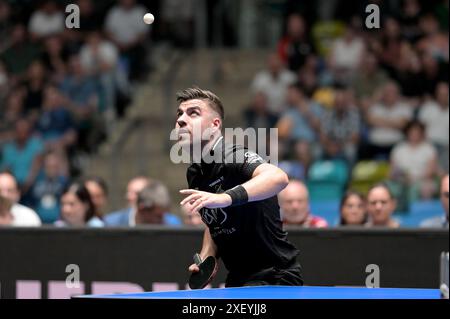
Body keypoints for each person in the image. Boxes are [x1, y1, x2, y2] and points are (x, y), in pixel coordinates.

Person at [176, 87, 303, 287]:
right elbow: (214, 223)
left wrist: (224, 198)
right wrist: (207, 256)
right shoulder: (195, 173)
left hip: (275, 278)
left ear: (214, 124)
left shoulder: (232, 155)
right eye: (180, 114)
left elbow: (278, 177)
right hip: (238, 278)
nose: (181, 119)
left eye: (193, 113)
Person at [390, 120, 439, 200]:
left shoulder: (429, 148)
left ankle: (423, 211)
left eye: (417, 133)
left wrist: (414, 179)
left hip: (423, 179)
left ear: (422, 134)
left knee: (426, 187)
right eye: (412, 132)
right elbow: (393, 170)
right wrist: (403, 178)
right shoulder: (398, 149)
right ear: (407, 133)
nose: (414, 135)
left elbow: (430, 171)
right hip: (402, 179)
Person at [104, 176, 181, 226]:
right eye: (158, 216)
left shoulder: (172, 224)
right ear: (142, 209)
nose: (163, 220)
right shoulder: (111, 225)